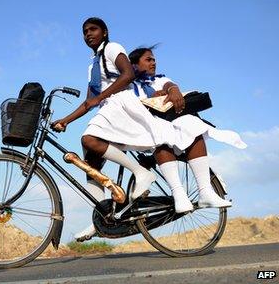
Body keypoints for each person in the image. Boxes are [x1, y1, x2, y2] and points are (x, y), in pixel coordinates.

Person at [52, 17, 157, 241]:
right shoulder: (93, 65)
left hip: (123, 104)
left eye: (93, 29)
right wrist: (66, 120)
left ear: (105, 31)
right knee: (91, 165)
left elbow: (127, 74)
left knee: (89, 139)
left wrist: (99, 98)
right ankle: (100, 218)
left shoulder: (113, 48)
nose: (88, 34)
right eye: (84, 31)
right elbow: (90, 101)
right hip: (109, 108)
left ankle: (141, 172)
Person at [128, 46, 246, 213]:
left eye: (154, 59)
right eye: (148, 59)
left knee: (193, 125)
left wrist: (172, 90)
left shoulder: (159, 79)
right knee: (160, 136)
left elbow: (169, 84)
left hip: (170, 121)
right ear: (134, 65)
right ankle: (179, 194)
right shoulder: (129, 86)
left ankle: (205, 191)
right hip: (146, 126)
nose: (153, 62)